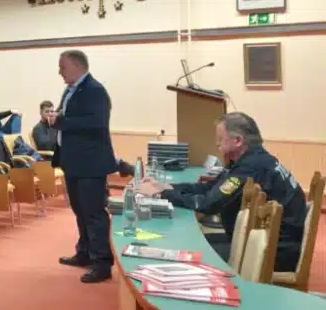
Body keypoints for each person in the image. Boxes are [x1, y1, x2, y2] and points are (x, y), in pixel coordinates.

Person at [136, 112, 306, 272]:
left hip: (274, 253)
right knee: (192, 243)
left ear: (237, 141)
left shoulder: (250, 168)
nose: (217, 144)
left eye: (220, 139)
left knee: (186, 253)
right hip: (270, 244)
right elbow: (210, 188)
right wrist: (167, 187)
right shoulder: (253, 159)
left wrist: (161, 195)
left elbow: (209, 204)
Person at [51, 50, 117, 283]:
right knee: (80, 210)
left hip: (91, 163)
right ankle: (85, 252)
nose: (59, 72)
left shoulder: (95, 90)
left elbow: (96, 122)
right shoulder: (71, 90)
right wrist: (55, 117)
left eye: (63, 67)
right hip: (73, 162)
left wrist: (62, 121)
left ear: (78, 66)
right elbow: (68, 118)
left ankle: (102, 263)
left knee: (94, 213)